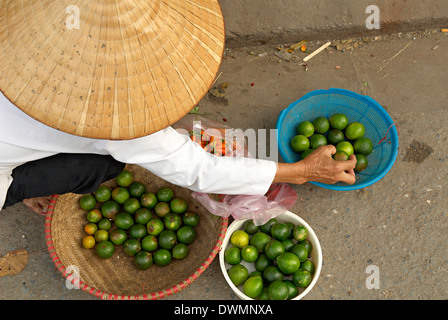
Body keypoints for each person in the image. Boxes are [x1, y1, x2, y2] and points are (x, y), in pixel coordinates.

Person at [0, 0, 356, 215]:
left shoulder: (15, 27)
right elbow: (199, 170)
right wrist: (303, 171)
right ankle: (17, 186)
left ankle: (20, 168)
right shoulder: (117, 124)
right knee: (104, 164)